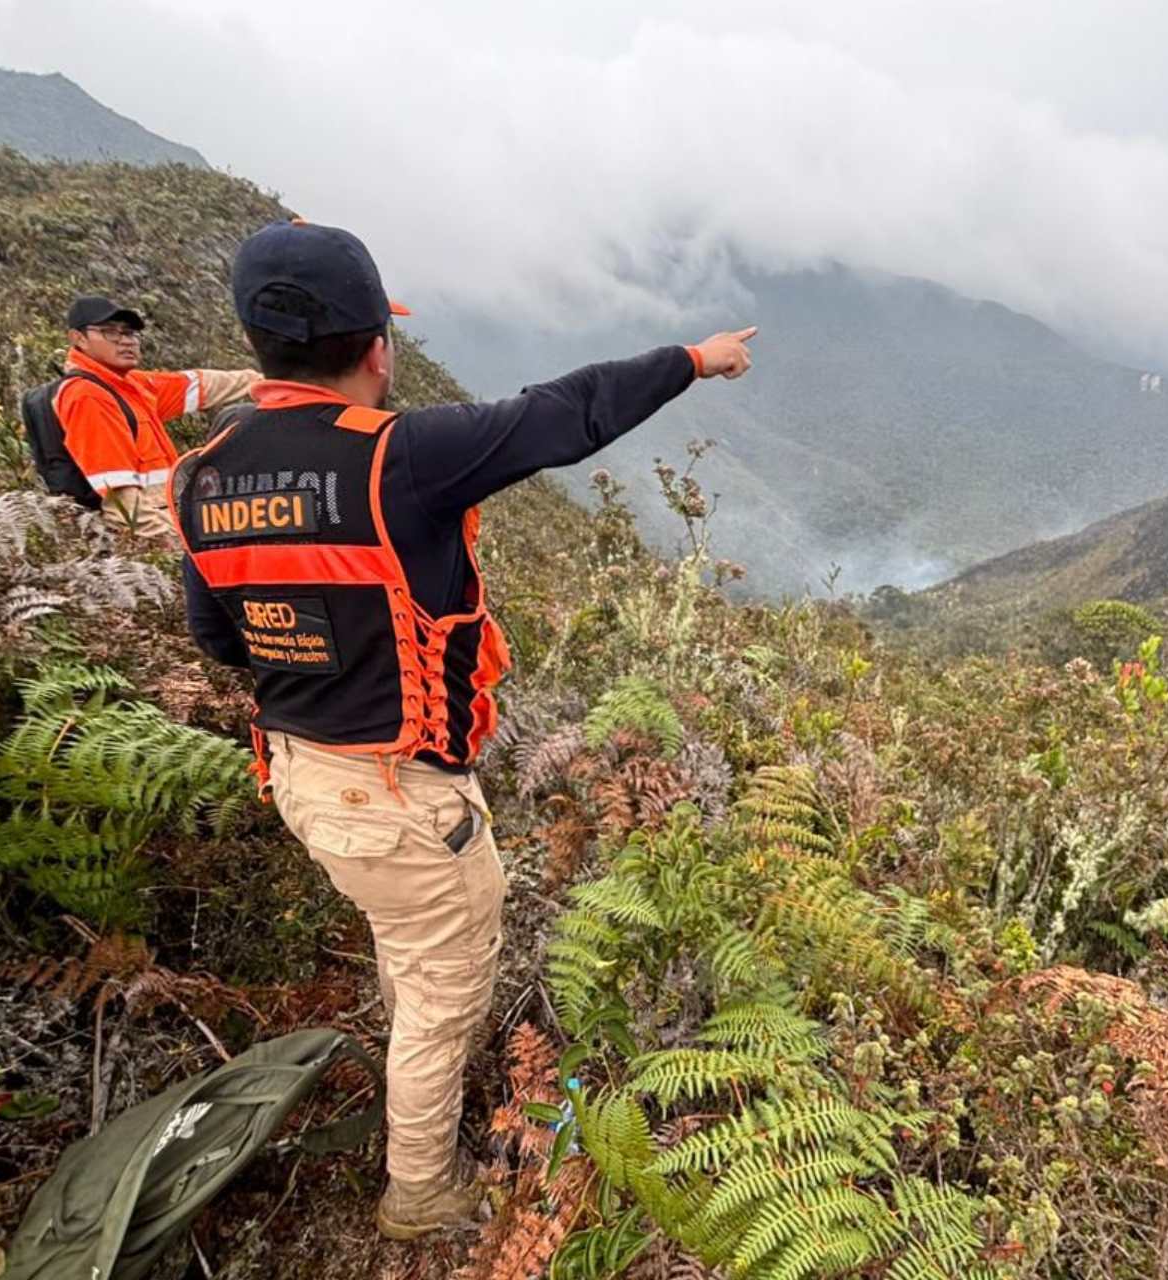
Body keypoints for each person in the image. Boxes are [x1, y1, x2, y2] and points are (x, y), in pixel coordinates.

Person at [167, 219, 754, 1240]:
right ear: (375, 348)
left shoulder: (200, 478)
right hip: (399, 794)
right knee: (445, 992)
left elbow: (218, 639)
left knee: (411, 948)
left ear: (256, 346)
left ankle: (414, 1083)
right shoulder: (398, 458)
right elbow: (560, 415)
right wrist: (695, 361)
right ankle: (420, 1195)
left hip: (303, 776)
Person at [57, 295, 259, 538]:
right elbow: (123, 509)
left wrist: (270, 379)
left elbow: (201, 384)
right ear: (78, 338)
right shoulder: (88, 396)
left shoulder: (132, 385)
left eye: (130, 333)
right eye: (110, 332)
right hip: (152, 540)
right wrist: (187, 546)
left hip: (172, 518)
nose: (126, 342)